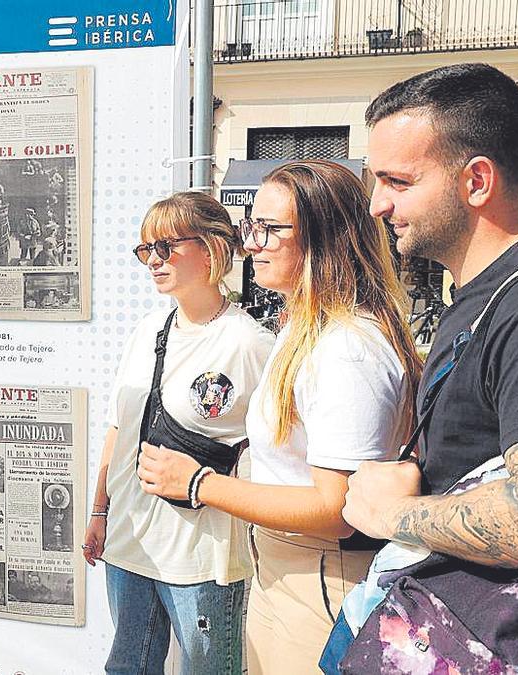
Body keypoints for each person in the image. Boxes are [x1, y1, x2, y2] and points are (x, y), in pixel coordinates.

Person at [341, 63, 518, 672]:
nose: (376, 204)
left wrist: (388, 514)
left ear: (475, 181)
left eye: (396, 180)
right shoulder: (480, 301)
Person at [135, 161, 422, 674]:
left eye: (269, 229)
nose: (252, 244)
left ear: (323, 236)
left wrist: (199, 483)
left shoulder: (345, 347)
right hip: (288, 568)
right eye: (251, 227)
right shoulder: (308, 328)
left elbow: (337, 509)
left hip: (320, 575)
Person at [83, 191, 275, 675]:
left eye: (166, 246)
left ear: (211, 248)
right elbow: (120, 427)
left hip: (199, 555)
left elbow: (274, 453)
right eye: (146, 249)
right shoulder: (149, 329)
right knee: (127, 668)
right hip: (130, 542)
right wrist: (99, 510)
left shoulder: (248, 342)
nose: (153, 260)